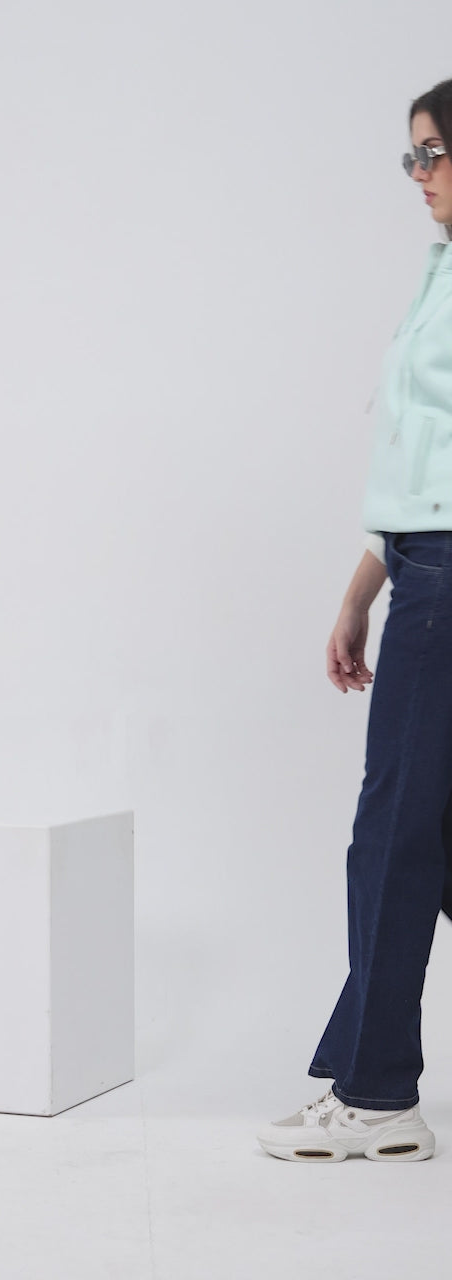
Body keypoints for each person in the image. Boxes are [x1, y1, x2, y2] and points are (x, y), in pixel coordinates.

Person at [257, 79, 452, 1163]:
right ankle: (367, 1072)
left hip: (447, 578)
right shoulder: (439, 272)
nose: (418, 175)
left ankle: (377, 1096)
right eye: (411, 157)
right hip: (422, 564)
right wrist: (361, 588)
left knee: (394, 828)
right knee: (431, 834)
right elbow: (421, 463)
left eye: (432, 153)